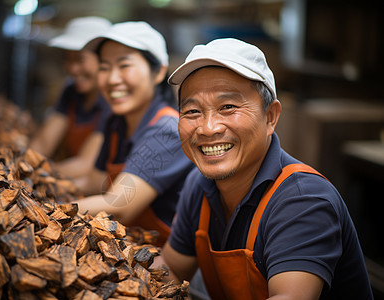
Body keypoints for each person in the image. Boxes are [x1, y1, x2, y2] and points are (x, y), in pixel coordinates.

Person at [159, 38, 374, 299]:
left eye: (228, 107)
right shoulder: (199, 184)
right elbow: (170, 269)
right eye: (192, 111)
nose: (208, 127)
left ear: (270, 117)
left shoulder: (303, 199)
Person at [74, 21, 195, 246]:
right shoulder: (117, 122)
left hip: (163, 262)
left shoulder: (167, 131)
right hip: (127, 245)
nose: (112, 79)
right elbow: (94, 181)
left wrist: (45, 210)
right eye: (104, 67)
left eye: (124, 65)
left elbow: (119, 207)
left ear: (158, 72)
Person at [30, 16, 112, 183]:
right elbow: (43, 143)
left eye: (80, 59)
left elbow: (85, 164)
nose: (73, 69)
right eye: (68, 59)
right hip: (65, 178)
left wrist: (35, 173)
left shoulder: (111, 100)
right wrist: (22, 165)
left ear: (103, 60)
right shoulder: (71, 91)